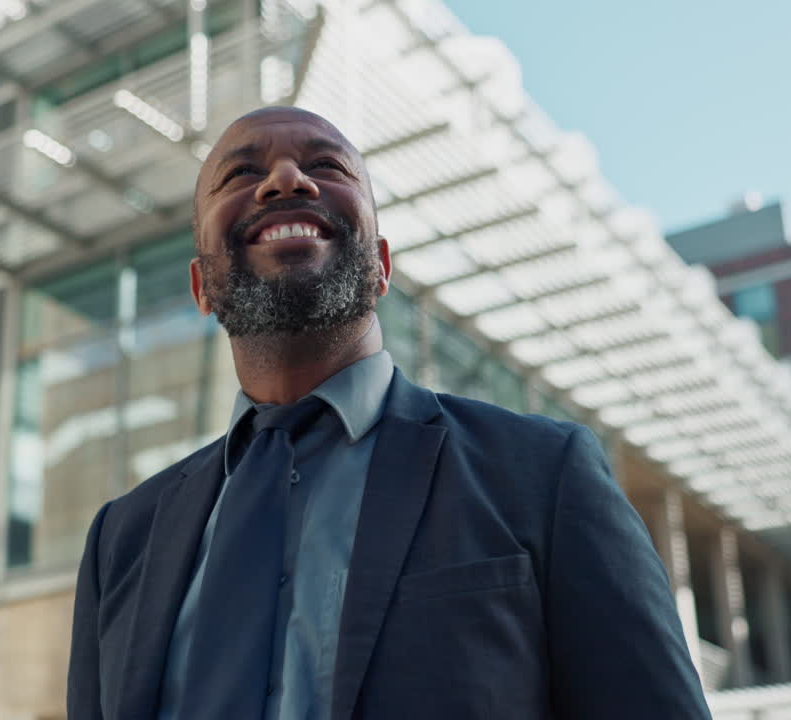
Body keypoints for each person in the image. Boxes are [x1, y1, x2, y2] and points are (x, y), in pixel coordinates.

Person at [67, 106, 711, 719]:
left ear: (379, 266)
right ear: (202, 287)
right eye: (241, 173)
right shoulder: (121, 542)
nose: (286, 179)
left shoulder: (545, 476)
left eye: (326, 167)